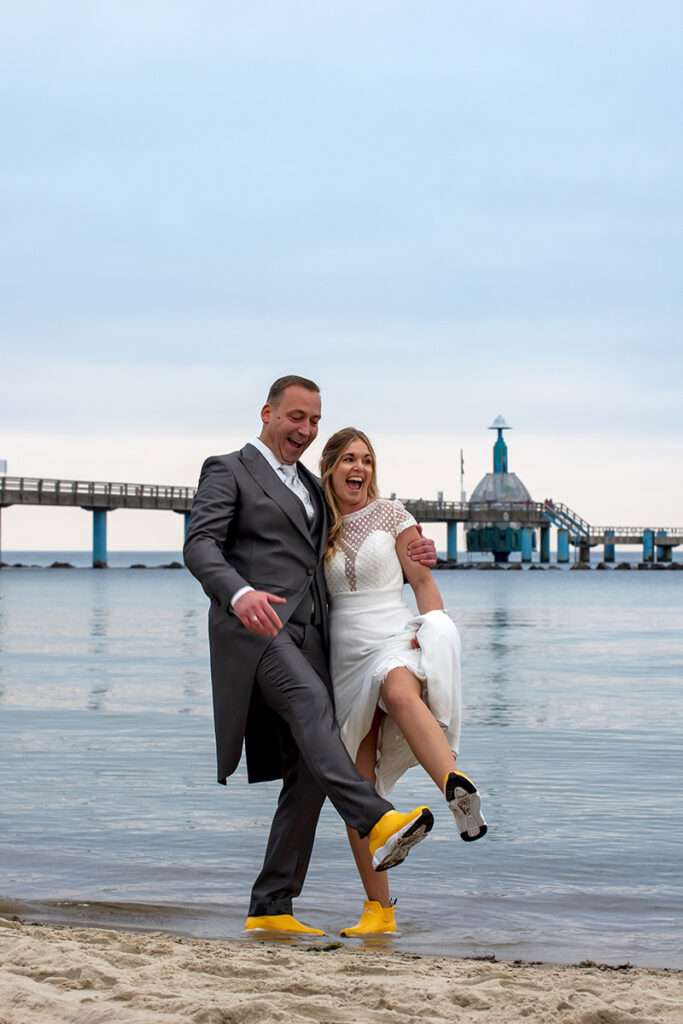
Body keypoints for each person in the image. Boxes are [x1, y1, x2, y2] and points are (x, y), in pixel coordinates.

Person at [183, 376, 439, 936]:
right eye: (296, 417)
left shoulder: (310, 484)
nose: (305, 430)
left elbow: (358, 526)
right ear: (267, 412)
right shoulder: (226, 469)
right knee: (308, 708)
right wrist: (238, 591)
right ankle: (375, 821)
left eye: (314, 421)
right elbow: (200, 544)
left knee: (307, 768)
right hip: (257, 630)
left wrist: (414, 548)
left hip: (317, 637)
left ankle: (271, 907)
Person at [319, 427, 487, 938]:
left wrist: (431, 634)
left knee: (398, 687)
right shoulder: (316, 523)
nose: (360, 468)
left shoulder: (395, 515)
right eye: (349, 458)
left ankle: (456, 790)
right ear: (329, 466)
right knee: (358, 784)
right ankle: (379, 911)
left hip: (393, 635)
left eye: (367, 460)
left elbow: (423, 582)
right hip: (343, 656)